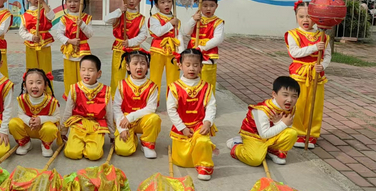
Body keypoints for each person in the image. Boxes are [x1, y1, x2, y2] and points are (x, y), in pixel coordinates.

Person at [285, 1, 332, 148]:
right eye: (301, 16)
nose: (305, 20)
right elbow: (295, 53)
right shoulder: (292, 34)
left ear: (316, 18)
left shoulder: (323, 36)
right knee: (298, 104)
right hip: (299, 74)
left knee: (315, 105)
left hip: (316, 75)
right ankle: (296, 133)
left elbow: (327, 56)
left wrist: (322, 65)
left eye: (309, 16)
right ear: (296, 17)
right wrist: (314, 47)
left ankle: (311, 135)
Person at [167, 48, 217, 181]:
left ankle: (204, 167)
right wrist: (182, 127)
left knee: (203, 140)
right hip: (182, 128)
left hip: (199, 125)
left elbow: (211, 106)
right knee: (182, 161)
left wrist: (207, 122)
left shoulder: (206, 87)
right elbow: (171, 109)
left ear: (201, 67)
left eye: (195, 65)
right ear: (180, 65)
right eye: (188, 65)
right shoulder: (175, 87)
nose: (191, 68)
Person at [227, 76, 299, 166]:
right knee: (255, 160)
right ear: (274, 94)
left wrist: (278, 123)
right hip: (254, 136)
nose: (290, 100)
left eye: (294, 96)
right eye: (285, 95)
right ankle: (237, 145)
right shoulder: (262, 110)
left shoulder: (292, 108)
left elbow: (288, 127)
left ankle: (273, 151)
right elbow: (264, 135)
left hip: (271, 135)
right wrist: (283, 124)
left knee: (292, 133)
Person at [62, 55, 114, 161]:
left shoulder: (105, 91)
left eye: (90, 70)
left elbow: (109, 113)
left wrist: (112, 135)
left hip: (97, 126)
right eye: (83, 70)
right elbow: (68, 111)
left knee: (94, 155)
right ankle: (79, 144)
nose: (86, 73)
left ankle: (91, 145)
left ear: (99, 73)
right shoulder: (74, 89)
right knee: (72, 153)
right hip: (79, 124)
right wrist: (63, 131)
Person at [113, 51, 161, 158]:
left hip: (142, 120)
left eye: (143, 63)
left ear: (148, 66)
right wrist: (121, 128)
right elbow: (116, 107)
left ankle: (147, 144)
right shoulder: (122, 85)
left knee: (154, 118)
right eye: (135, 64)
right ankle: (131, 137)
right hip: (125, 122)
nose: (139, 67)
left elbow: (151, 108)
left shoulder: (152, 86)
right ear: (127, 67)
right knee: (123, 151)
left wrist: (131, 117)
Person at [104, 0, 149, 94]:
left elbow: (143, 35)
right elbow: (106, 20)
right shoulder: (119, 14)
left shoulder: (141, 18)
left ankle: (132, 96)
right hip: (119, 49)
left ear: (139, 0)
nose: (131, 1)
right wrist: (119, 10)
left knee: (134, 74)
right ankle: (115, 97)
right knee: (117, 74)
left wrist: (130, 42)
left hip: (134, 50)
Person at [9, 68, 60, 157]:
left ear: (45, 85)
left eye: (39, 83)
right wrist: (29, 121)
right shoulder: (22, 99)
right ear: (25, 86)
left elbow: (57, 117)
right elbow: (21, 114)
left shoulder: (51, 102)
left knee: (50, 128)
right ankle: (25, 143)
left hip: (43, 128)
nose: (34, 86)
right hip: (29, 127)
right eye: (31, 83)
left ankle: (46, 145)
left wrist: (41, 119)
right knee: (13, 123)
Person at [181, 0, 224, 95]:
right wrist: (193, 20)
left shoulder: (218, 22)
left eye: (212, 6)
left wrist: (202, 48)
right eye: (205, 6)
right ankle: (193, 100)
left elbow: (218, 38)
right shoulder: (196, 19)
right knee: (192, 80)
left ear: (216, 6)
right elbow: (186, 31)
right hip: (192, 55)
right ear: (199, 5)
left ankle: (208, 101)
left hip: (208, 56)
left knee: (208, 82)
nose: (208, 8)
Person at [147, 0, 181, 96]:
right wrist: (170, 24)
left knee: (174, 79)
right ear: (157, 5)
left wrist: (181, 53)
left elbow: (179, 36)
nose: (166, 4)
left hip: (173, 51)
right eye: (162, 2)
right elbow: (158, 32)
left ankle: (172, 102)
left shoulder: (176, 19)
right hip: (157, 51)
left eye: (169, 1)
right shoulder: (154, 18)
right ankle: (153, 101)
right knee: (155, 78)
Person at [19, 0, 55, 79]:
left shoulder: (45, 10)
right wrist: (31, 37)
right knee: (32, 68)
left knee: (45, 68)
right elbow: (21, 31)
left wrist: (43, 2)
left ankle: (47, 87)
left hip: (44, 43)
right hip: (31, 44)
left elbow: (51, 16)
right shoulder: (25, 15)